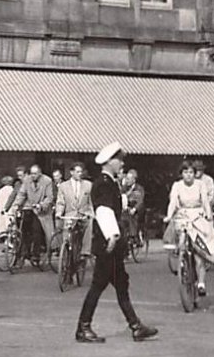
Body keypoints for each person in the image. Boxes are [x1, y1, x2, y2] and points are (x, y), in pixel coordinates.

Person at [76, 142, 157, 343]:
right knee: (99, 285)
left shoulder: (109, 181)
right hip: (107, 243)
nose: (122, 164)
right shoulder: (104, 183)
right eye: (119, 160)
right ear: (110, 161)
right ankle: (83, 327)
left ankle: (135, 326)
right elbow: (104, 210)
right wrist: (112, 235)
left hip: (110, 242)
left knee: (120, 283)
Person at [163, 161, 214, 296]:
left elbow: (205, 201)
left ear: (195, 174)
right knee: (179, 237)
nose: (188, 175)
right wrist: (169, 215)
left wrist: (208, 214)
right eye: (185, 172)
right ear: (181, 174)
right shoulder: (177, 186)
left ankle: (201, 283)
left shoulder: (200, 185)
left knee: (200, 251)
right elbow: (173, 202)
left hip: (197, 215)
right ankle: (181, 256)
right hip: (183, 215)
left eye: (191, 172)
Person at [8, 164, 55, 266]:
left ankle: (36, 254)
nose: (33, 176)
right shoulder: (27, 180)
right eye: (31, 173)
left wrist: (41, 205)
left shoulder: (47, 181)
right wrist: (15, 206)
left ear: (40, 173)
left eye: (35, 174)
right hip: (30, 208)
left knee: (36, 230)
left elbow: (49, 197)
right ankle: (24, 252)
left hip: (41, 211)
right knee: (23, 228)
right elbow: (21, 194)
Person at [55, 162, 94, 258]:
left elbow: (91, 202)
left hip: (84, 214)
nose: (80, 174)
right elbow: (61, 202)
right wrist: (59, 213)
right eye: (77, 172)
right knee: (66, 230)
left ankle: (85, 251)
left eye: (81, 172)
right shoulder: (63, 186)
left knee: (89, 224)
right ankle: (65, 250)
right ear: (71, 172)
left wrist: (91, 213)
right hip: (71, 214)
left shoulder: (88, 185)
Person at [121, 169, 146, 246]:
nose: (127, 180)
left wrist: (134, 209)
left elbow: (140, 201)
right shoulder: (124, 188)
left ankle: (133, 236)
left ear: (134, 180)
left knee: (132, 216)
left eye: (128, 179)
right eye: (126, 179)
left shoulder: (139, 189)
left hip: (137, 209)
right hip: (127, 207)